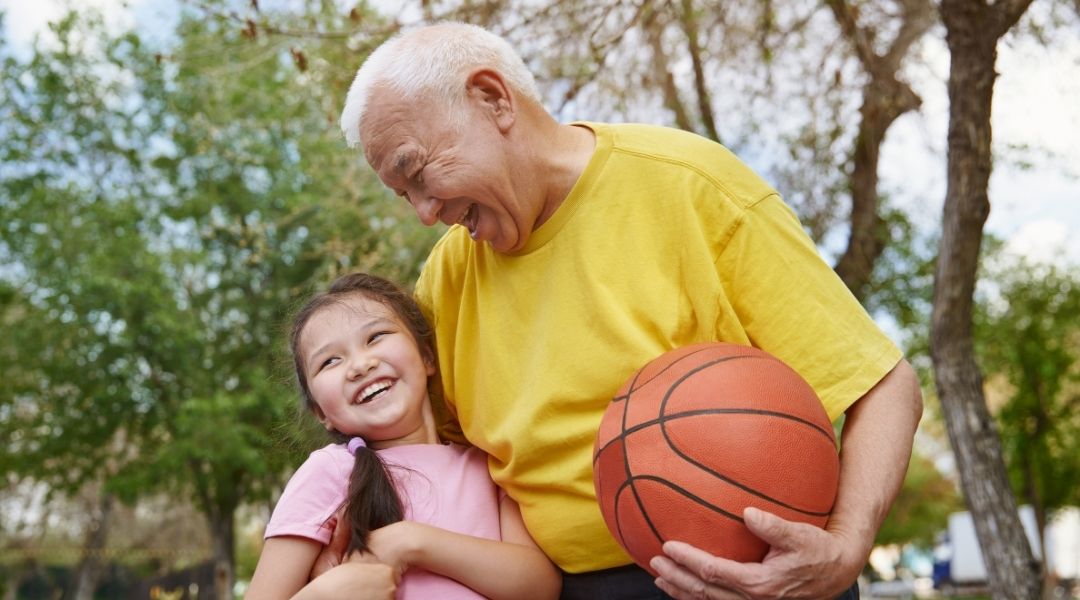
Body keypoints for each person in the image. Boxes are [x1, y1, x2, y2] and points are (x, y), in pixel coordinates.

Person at [335, 22, 923, 600]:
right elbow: (420, 448)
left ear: (493, 100)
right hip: (559, 586)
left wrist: (845, 547)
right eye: (403, 193)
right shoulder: (448, 277)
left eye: (417, 173)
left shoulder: (690, 187)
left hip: (752, 582)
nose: (424, 211)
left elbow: (884, 386)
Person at [247, 272, 561, 600]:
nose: (360, 365)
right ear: (320, 412)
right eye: (330, 361)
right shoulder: (330, 472)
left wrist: (411, 542)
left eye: (376, 336)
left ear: (427, 356)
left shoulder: (486, 462)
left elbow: (540, 587)